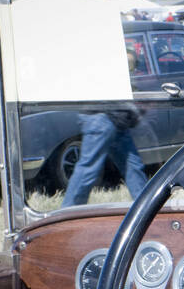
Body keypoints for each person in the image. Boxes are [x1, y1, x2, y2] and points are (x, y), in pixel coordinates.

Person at [60, 47, 149, 208]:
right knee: (89, 168)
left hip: (114, 117)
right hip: (102, 116)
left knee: (132, 165)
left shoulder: (106, 49)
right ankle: (67, 213)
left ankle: (147, 207)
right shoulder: (105, 54)